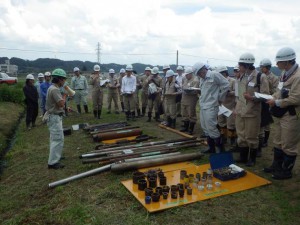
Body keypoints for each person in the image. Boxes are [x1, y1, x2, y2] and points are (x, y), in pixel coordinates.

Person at [265, 47, 300, 179]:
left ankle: (286, 171)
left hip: (292, 114)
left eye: (278, 62)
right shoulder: (284, 74)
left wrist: (277, 102)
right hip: (281, 113)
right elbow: (279, 91)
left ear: (286, 62)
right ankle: (277, 166)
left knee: (289, 143)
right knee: (278, 140)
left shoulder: (298, 76)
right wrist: (272, 97)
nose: (276, 64)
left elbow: (296, 98)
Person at [235, 53, 269, 166]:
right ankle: (243, 157)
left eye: (240, 65)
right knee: (241, 135)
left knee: (251, 136)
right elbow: (239, 94)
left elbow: (265, 95)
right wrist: (236, 109)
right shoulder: (242, 76)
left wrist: (252, 98)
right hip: (241, 111)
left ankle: (252, 158)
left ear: (246, 65)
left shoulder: (260, 76)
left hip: (252, 112)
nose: (238, 67)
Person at [193, 62, 229, 153]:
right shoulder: (202, 78)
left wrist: (220, 98)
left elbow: (226, 84)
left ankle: (221, 150)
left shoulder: (214, 74)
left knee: (212, 127)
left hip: (211, 106)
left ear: (203, 70)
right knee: (205, 128)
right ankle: (211, 148)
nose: (199, 76)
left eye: (199, 73)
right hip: (203, 105)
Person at [46, 68, 67, 169]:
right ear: (59, 79)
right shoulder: (55, 89)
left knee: (55, 138)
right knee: (58, 139)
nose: (64, 82)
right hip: (54, 117)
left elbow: (57, 104)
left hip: (54, 116)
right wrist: (65, 95)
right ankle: (53, 162)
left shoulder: (52, 88)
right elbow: (61, 104)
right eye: (63, 79)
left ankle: (56, 156)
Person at [259, 59, 279, 148]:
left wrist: (268, 89)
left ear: (267, 67)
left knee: (266, 122)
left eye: (262, 67)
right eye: (261, 67)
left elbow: (276, 90)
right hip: (260, 100)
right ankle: (260, 138)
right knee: (260, 120)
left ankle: (265, 141)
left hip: (269, 100)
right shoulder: (259, 76)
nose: (261, 69)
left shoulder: (274, 78)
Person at [216, 66, 236, 149]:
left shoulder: (232, 81)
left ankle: (232, 139)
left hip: (230, 105)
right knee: (221, 122)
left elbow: (237, 92)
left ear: (224, 73)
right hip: (221, 105)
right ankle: (223, 138)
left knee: (231, 124)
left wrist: (229, 93)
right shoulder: (219, 82)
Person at [180, 67, 199, 134]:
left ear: (191, 74)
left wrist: (189, 91)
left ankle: (191, 129)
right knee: (184, 113)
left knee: (191, 113)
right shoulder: (185, 79)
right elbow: (182, 86)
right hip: (184, 97)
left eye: (187, 74)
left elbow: (196, 91)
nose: (186, 76)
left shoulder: (195, 80)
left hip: (191, 99)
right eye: (185, 74)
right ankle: (185, 127)